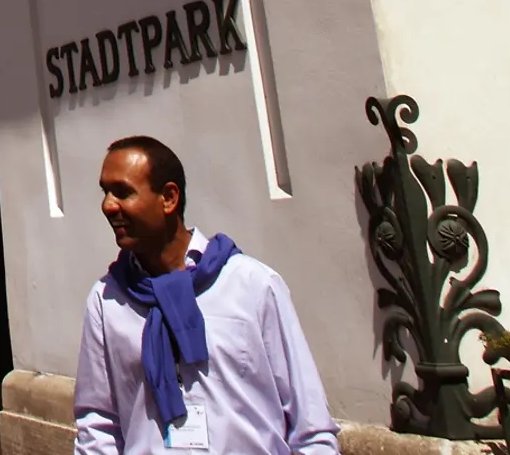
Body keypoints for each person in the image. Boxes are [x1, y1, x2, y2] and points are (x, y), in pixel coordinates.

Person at [73, 136, 339, 453]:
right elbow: (97, 424)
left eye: (123, 192)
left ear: (169, 198)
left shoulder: (252, 285)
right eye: (105, 191)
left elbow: (311, 428)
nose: (108, 205)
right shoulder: (107, 300)